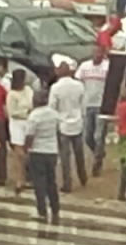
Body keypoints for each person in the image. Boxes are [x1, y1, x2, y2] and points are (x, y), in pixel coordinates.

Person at [49, 62, 87, 192]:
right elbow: (83, 105)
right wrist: (81, 116)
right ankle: (83, 177)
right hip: (77, 123)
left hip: (63, 124)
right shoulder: (79, 85)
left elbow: (52, 107)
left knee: (65, 157)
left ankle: (67, 183)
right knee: (79, 154)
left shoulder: (55, 88)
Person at [25, 90, 61, 223]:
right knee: (52, 181)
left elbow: (29, 135)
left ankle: (42, 211)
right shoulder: (54, 114)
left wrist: (26, 150)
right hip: (52, 151)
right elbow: (58, 132)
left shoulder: (34, 116)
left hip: (38, 151)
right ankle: (55, 208)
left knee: (39, 183)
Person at [76, 47, 110, 175]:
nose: (97, 56)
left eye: (100, 53)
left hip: (102, 105)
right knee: (87, 136)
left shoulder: (108, 67)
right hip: (87, 104)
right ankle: (99, 152)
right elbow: (78, 82)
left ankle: (97, 163)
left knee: (99, 135)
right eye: (95, 53)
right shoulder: (84, 66)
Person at [6, 70, 34, 195]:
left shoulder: (28, 90)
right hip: (17, 124)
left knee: (29, 151)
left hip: (28, 123)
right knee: (19, 154)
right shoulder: (11, 94)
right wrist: (25, 113)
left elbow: (32, 103)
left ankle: (29, 177)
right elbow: (11, 112)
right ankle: (19, 180)